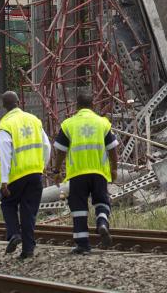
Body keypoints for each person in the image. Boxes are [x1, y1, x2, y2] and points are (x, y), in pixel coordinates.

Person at [52, 92, 118, 255]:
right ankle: (102, 222)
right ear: (93, 105)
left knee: (79, 208)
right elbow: (112, 149)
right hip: (99, 172)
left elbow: (60, 151)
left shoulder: (68, 124)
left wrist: (57, 170)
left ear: (76, 106)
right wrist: (114, 168)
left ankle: (83, 244)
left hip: (78, 173)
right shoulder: (102, 123)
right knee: (102, 201)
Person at [0, 91, 50, 260]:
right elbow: (46, 146)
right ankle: (28, 250)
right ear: (19, 101)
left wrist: (4, 181)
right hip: (35, 173)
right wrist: (42, 166)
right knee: (29, 212)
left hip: (16, 176)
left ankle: (14, 234)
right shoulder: (34, 120)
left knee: (7, 204)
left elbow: (4, 153)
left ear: (4, 106)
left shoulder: (6, 124)